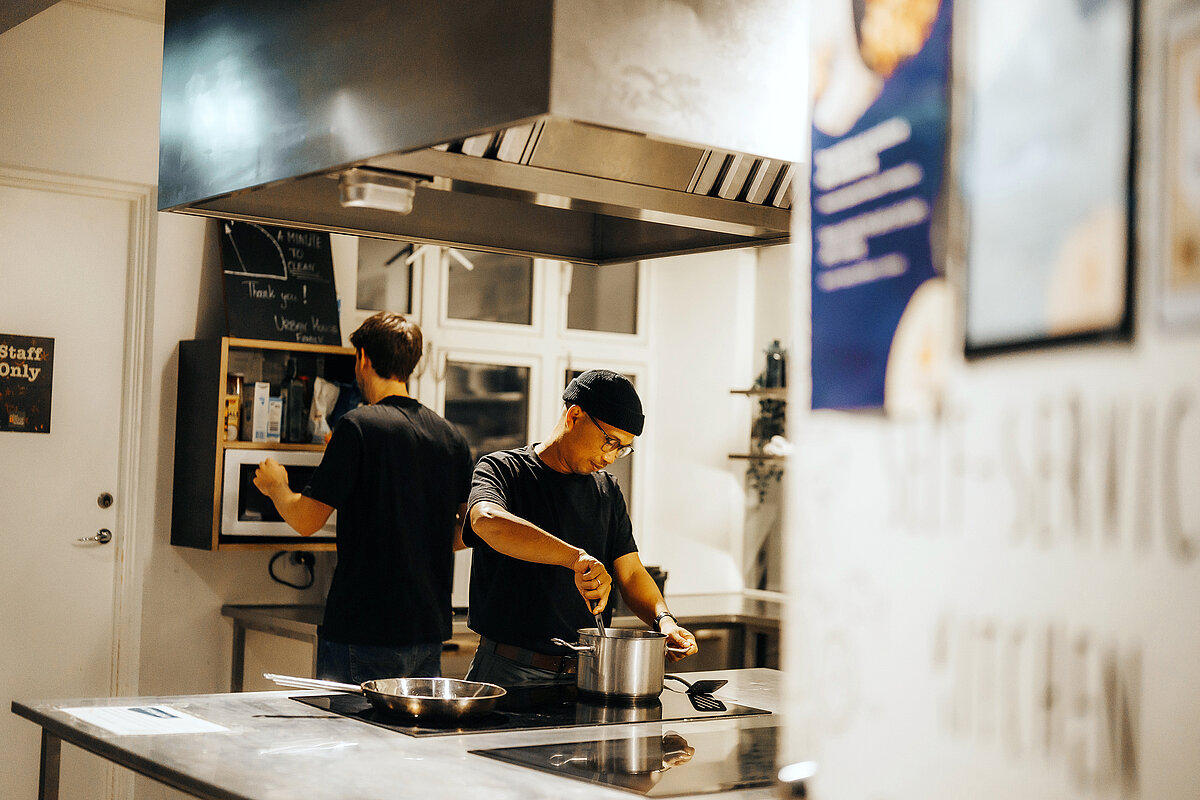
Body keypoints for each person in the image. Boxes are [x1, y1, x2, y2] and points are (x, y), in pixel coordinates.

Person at [253, 312, 472, 683]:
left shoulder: (357, 427)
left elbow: (306, 520)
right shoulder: (450, 436)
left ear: (364, 359)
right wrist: (419, 542)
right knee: (408, 740)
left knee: (350, 737)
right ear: (411, 365)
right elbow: (468, 531)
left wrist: (277, 485)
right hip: (427, 630)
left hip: (364, 630)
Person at [461, 369, 697, 685]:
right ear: (574, 416)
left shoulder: (607, 491)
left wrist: (664, 621)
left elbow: (630, 572)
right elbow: (486, 521)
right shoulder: (503, 469)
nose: (612, 456)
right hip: (509, 671)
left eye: (623, 448)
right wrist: (576, 558)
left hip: (587, 675)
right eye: (610, 441)